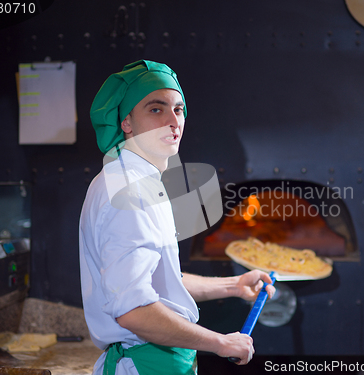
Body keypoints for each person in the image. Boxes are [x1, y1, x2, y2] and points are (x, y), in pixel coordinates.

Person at [79, 60, 275, 375]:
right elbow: (134, 310)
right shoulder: (127, 190)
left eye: (179, 109)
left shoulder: (139, 180)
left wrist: (235, 285)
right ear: (126, 122)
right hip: (144, 363)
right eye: (156, 109)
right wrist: (221, 343)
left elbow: (158, 282)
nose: (173, 121)